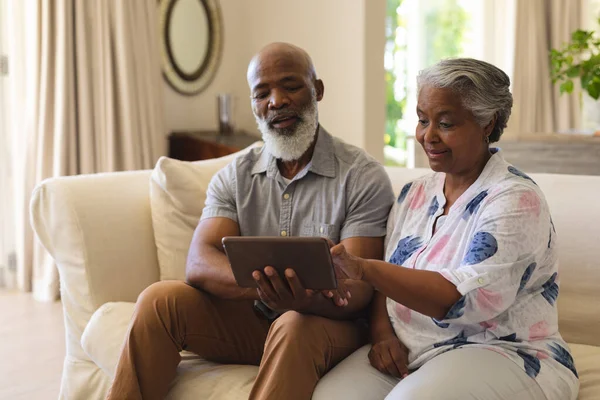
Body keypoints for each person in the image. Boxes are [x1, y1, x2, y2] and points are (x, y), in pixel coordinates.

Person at [106, 42, 395, 400]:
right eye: (262, 93)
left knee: (293, 324)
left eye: (291, 86)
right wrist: (266, 289)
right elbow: (199, 263)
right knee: (159, 300)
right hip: (253, 317)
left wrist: (301, 300)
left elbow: (359, 289)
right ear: (255, 105)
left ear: (317, 90)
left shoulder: (362, 176)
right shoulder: (235, 175)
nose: (277, 101)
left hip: (330, 325)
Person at [327, 58, 579, 400]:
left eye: (445, 123)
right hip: (415, 352)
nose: (428, 136)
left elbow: (461, 299)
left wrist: (364, 269)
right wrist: (382, 333)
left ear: (487, 122)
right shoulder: (413, 194)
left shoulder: (516, 199)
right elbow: (389, 283)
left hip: (505, 352)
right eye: (422, 120)